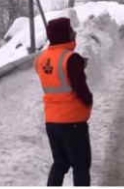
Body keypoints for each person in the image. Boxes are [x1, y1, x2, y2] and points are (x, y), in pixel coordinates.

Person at [35, 17, 93, 186]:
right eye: (71, 30)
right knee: (81, 165)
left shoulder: (41, 59)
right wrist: (89, 101)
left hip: (52, 122)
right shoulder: (71, 58)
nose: (74, 33)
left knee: (60, 163)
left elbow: (56, 76)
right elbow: (80, 89)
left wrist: (78, 65)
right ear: (65, 34)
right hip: (73, 122)